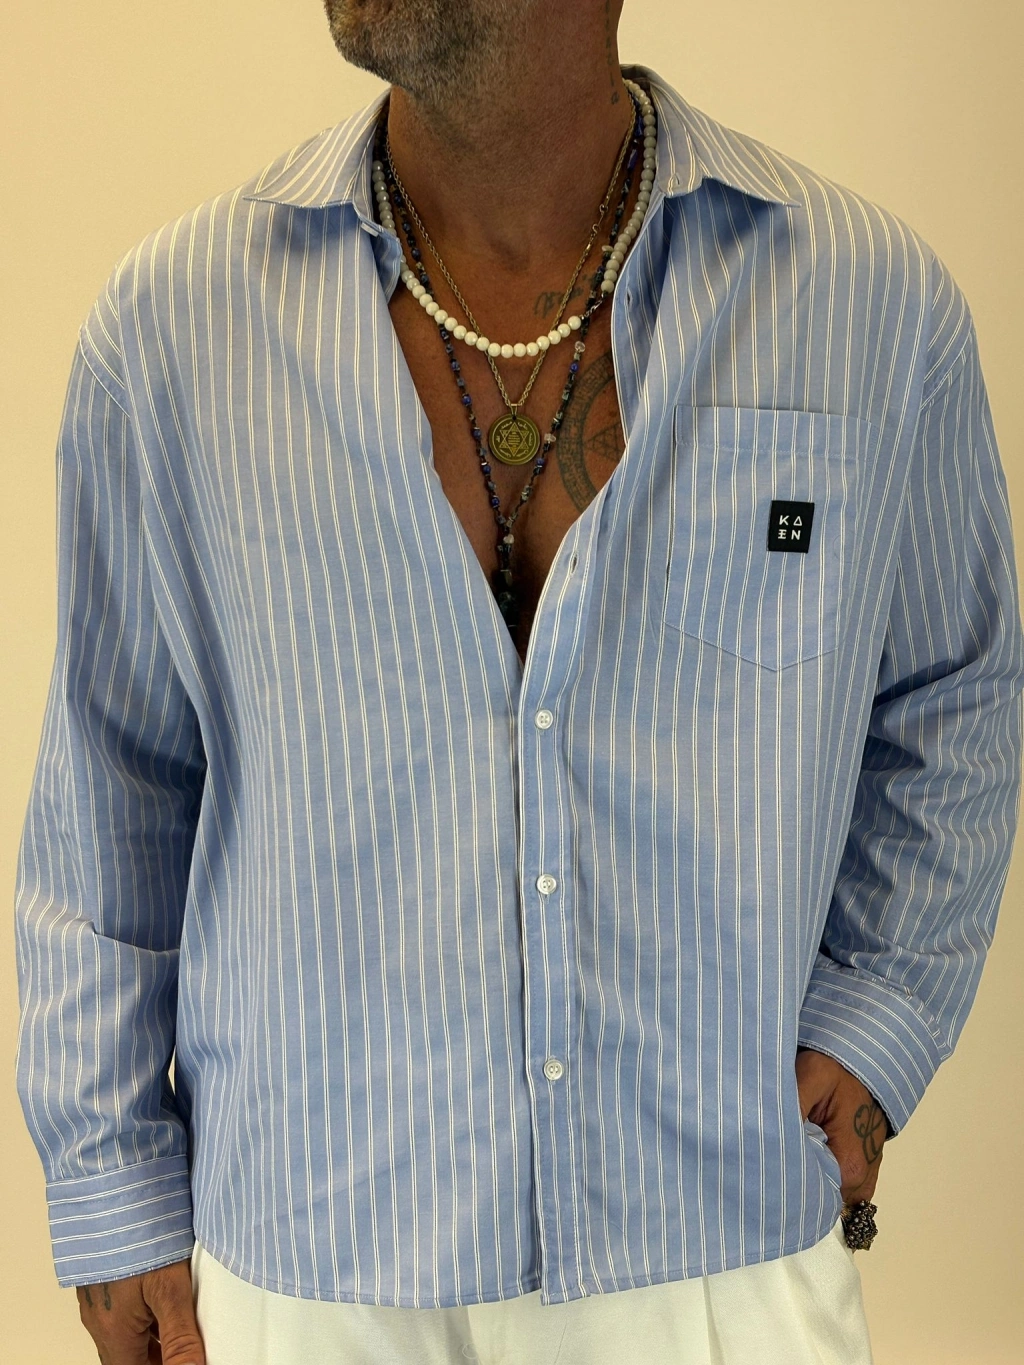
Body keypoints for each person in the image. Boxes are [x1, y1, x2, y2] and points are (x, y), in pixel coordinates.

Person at [14, 2, 1023, 1363]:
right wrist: (112, 1183)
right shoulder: (174, 331)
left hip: (719, 1253)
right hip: (310, 1269)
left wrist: (883, 1012)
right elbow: (114, 778)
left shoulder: (866, 307)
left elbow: (954, 692)